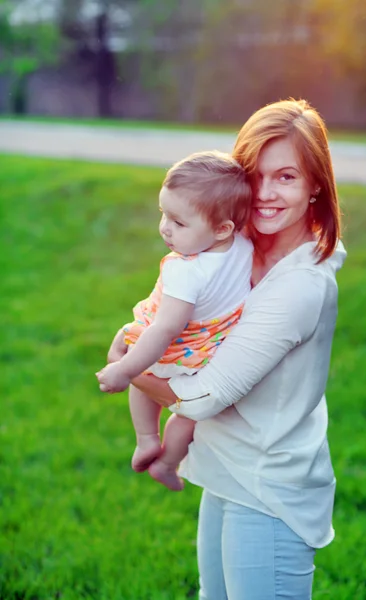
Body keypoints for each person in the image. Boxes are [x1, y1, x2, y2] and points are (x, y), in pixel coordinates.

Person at [102, 98, 347, 600]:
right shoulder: (235, 249)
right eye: (256, 175)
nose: (265, 194)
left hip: (268, 487)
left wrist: (125, 364)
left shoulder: (300, 283)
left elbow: (205, 397)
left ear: (316, 183)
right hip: (225, 467)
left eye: (287, 177)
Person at [96, 150, 254, 491]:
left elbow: (166, 329)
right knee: (188, 418)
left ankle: (146, 438)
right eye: (164, 214)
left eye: (179, 222)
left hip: (174, 347)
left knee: (145, 375)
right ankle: (167, 463)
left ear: (223, 228)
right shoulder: (243, 244)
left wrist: (125, 370)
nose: (165, 229)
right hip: (211, 352)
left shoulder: (186, 270)